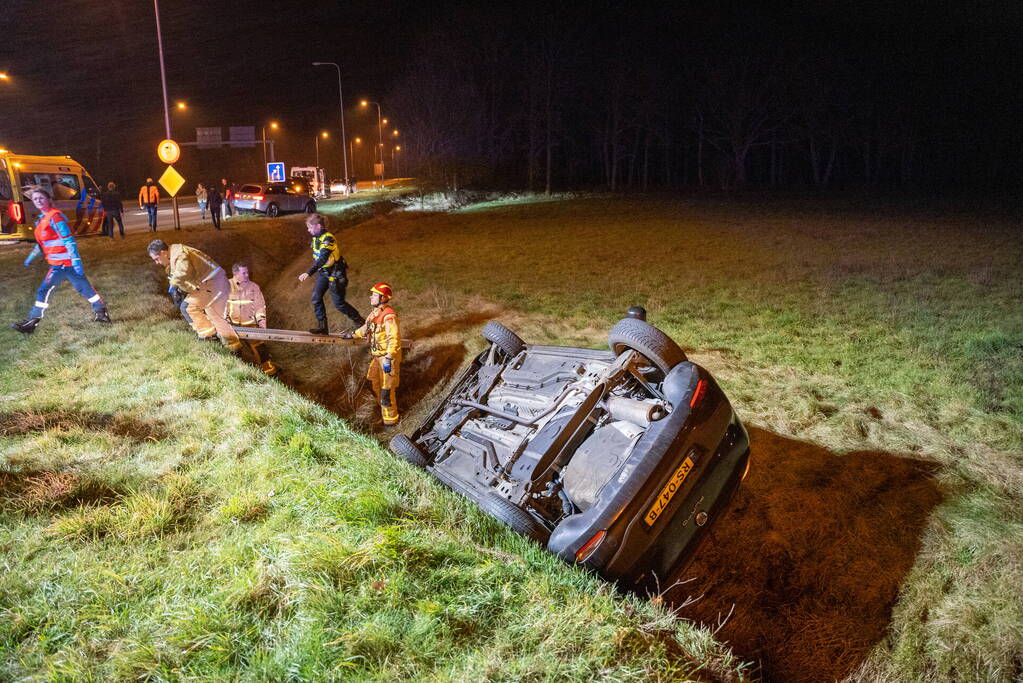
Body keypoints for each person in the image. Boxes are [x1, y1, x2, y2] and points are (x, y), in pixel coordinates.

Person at [11, 186, 112, 334]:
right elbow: (42, 245)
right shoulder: (41, 220)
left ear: (49, 200)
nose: (38, 200)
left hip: (63, 264)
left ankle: (32, 322)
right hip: (61, 264)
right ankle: (102, 314)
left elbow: (69, 240)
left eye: (41, 198)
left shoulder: (55, 217)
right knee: (84, 288)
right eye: (35, 199)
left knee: (43, 290)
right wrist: (30, 258)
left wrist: (76, 261)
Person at [147, 239, 240, 351]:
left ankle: (209, 339)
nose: (157, 263)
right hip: (214, 283)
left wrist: (173, 283)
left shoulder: (179, 254)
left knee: (188, 307)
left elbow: (183, 272)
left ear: (163, 253)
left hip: (214, 284)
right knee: (216, 318)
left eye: (157, 259)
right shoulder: (175, 253)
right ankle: (235, 349)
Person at [343, 283, 401, 427]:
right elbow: (366, 327)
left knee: (386, 391)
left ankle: (390, 422)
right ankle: (382, 408)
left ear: (383, 298)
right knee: (371, 382)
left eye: (374, 295)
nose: (371, 297)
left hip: (387, 358)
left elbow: (394, 338)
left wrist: (388, 358)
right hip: (377, 357)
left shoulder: (389, 316)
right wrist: (353, 335)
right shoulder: (375, 313)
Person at [297, 212, 362, 334]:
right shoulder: (316, 238)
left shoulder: (328, 239)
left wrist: (309, 272)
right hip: (324, 273)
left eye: (310, 227)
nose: (308, 230)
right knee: (316, 298)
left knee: (339, 304)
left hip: (335, 274)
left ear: (318, 226)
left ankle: (360, 322)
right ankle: (323, 327)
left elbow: (322, 259)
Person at [225, 263, 278, 376]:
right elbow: (220, 305)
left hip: (250, 325)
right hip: (232, 325)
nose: (247, 275)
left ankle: (270, 373)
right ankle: (237, 373)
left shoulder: (254, 287)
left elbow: (260, 306)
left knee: (260, 348)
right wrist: (225, 320)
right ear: (235, 273)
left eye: (247, 272)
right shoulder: (226, 286)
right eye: (244, 273)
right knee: (234, 349)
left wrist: (261, 320)